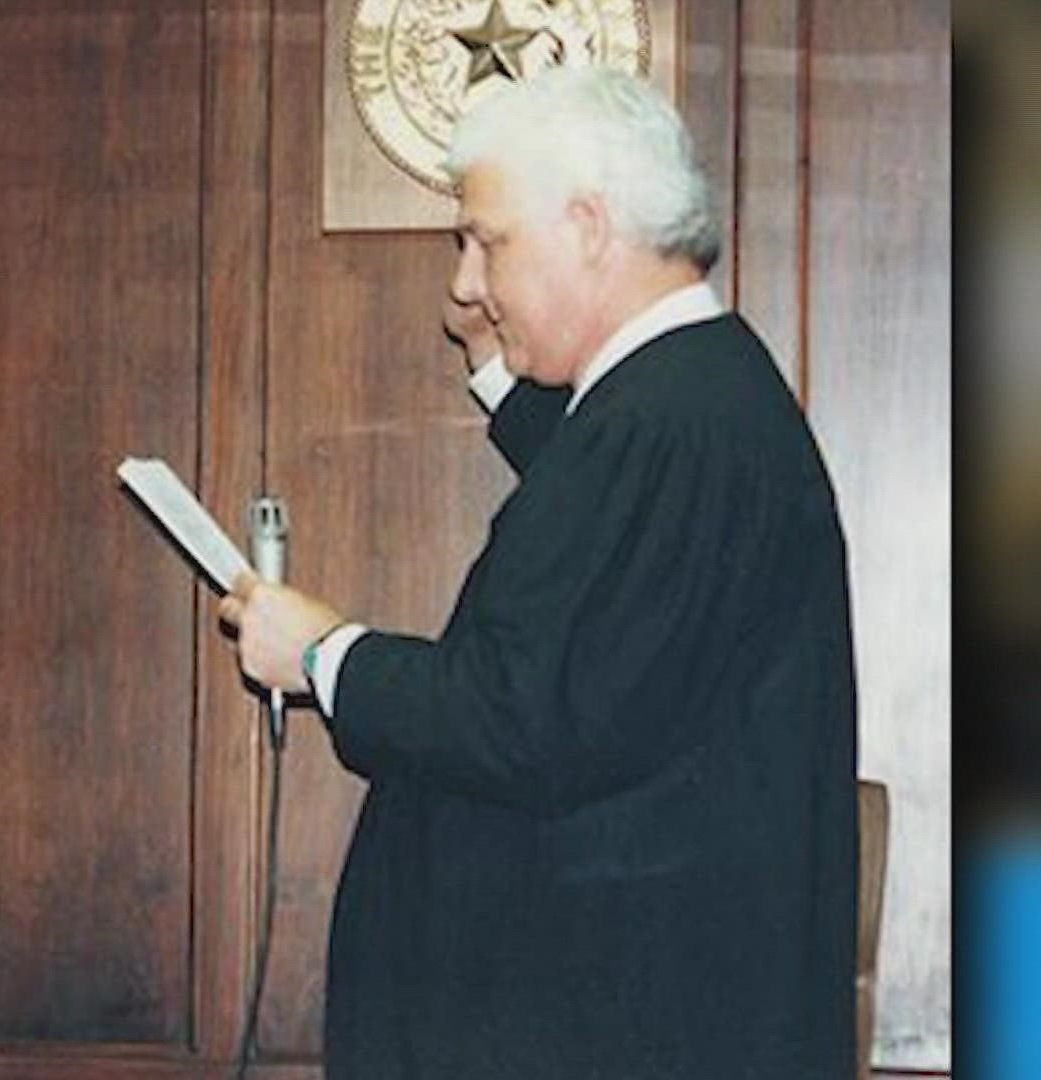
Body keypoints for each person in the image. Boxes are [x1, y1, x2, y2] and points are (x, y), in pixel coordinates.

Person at [218, 67, 856, 1079]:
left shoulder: (669, 425)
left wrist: (323, 653)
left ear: (590, 227)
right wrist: (499, 373)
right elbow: (612, 575)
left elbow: (530, 715)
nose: (467, 283)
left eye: (487, 241)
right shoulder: (684, 407)